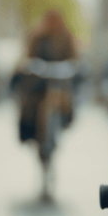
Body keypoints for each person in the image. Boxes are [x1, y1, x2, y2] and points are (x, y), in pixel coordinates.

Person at [19, 10, 76, 144]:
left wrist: (68, 66)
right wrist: (33, 65)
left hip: (59, 78)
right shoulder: (37, 37)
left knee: (67, 99)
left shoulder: (66, 37)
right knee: (30, 101)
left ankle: (65, 121)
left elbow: (73, 57)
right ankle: (30, 132)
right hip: (40, 79)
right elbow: (29, 56)